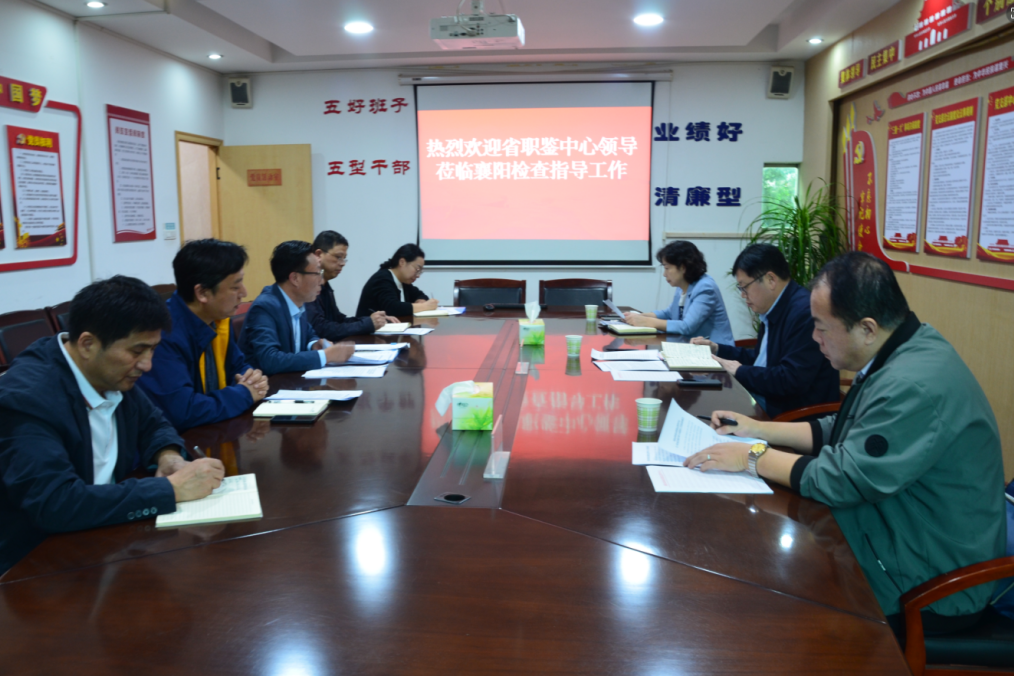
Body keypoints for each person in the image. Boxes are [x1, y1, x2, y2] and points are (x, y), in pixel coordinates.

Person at [685, 252, 1005, 636]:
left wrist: (751, 457)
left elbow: (844, 478)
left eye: (821, 327)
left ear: (867, 328)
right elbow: (846, 426)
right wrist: (759, 429)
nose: (814, 338)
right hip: (901, 534)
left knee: (773, 593)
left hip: (930, 582)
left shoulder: (912, 384)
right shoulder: (901, 349)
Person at [0, 276, 226, 574]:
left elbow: (153, 423)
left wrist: (168, 456)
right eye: (137, 351)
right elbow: (54, 503)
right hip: (36, 569)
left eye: (152, 350)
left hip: (104, 544)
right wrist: (169, 489)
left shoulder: (107, 372)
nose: (147, 365)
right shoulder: (27, 398)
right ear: (88, 344)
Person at [690, 243, 839, 418]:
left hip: (790, 414)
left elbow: (790, 380)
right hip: (769, 399)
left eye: (745, 287)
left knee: (706, 409)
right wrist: (717, 349)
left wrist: (740, 371)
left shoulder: (803, 313)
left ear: (770, 280)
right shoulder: (775, 308)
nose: (743, 294)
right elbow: (761, 359)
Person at [137, 239, 268, 432]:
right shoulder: (162, 334)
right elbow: (183, 411)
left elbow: (238, 367)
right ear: (202, 293)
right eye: (235, 287)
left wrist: (252, 378)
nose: (244, 292)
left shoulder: (217, 320)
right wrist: (245, 394)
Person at [240, 240, 355, 376]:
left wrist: (314, 343)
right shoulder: (265, 307)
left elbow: (308, 333)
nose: (321, 280)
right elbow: (270, 360)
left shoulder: (298, 300)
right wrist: (325, 356)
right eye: (317, 273)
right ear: (295, 278)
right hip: (268, 386)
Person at [623, 240, 734, 343]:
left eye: (667, 268)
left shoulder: (705, 288)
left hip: (716, 351)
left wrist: (647, 322)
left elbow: (687, 327)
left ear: (683, 267)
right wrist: (640, 316)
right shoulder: (682, 285)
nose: (664, 274)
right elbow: (669, 313)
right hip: (689, 346)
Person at [305, 230, 394, 341]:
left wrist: (373, 320)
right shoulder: (307, 286)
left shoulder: (326, 286)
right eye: (338, 257)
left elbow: (338, 320)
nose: (343, 263)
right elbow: (320, 328)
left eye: (344, 258)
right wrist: (367, 324)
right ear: (319, 254)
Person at [356, 243, 438, 318]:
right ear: (402, 262)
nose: (418, 275)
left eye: (420, 272)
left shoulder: (404, 282)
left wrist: (421, 301)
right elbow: (392, 308)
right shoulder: (382, 279)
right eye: (417, 269)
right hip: (369, 329)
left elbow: (420, 295)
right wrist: (425, 306)